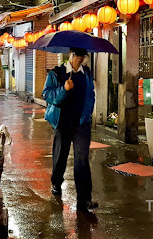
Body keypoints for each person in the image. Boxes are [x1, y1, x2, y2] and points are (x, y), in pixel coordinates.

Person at [43, 47, 97, 212]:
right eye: (78, 56)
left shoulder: (86, 73)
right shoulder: (57, 73)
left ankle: (84, 200)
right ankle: (56, 183)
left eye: (83, 56)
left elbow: (91, 94)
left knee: (82, 160)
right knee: (61, 155)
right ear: (71, 55)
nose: (80, 59)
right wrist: (63, 89)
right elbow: (47, 94)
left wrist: (88, 112)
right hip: (63, 122)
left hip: (81, 123)